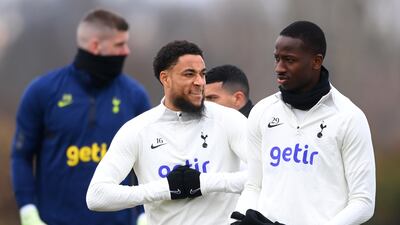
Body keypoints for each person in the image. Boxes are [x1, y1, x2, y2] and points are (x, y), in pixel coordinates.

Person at [10, 9, 151, 225]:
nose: (127, 51)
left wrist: (144, 213)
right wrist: (28, 210)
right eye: (119, 44)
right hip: (55, 221)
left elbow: (147, 161)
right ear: (95, 46)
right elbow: (21, 156)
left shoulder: (134, 96)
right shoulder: (42, 91)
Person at [86, 40, 248, 225]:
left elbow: (266, 175)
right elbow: (97, 196)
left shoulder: (229, 120)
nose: (199, 82)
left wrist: (203, 183)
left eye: (202, 74)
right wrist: (165, 189)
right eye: (189, 74)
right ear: (165, 78)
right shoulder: (137, 129)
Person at [232, 21, 376, 225]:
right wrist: (240, 218)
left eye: (289, 60)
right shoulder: (262, 111)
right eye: (277, 58)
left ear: (316, 61)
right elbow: (254, 185)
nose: (279, 68)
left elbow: (363, 202)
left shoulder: (349, 117)